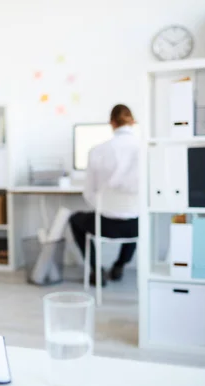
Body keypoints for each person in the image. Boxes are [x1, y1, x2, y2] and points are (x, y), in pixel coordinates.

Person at [68, 104, 139, 287]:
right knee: (136, 217)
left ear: (112, 123)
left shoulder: (97, 151)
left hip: (105, 225)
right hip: (136, 226)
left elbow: (88, 193)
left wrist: (105, 206)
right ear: (132, 121)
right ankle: (120, 265)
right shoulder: (145, 148)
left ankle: (96, 271)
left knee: (75, 219)